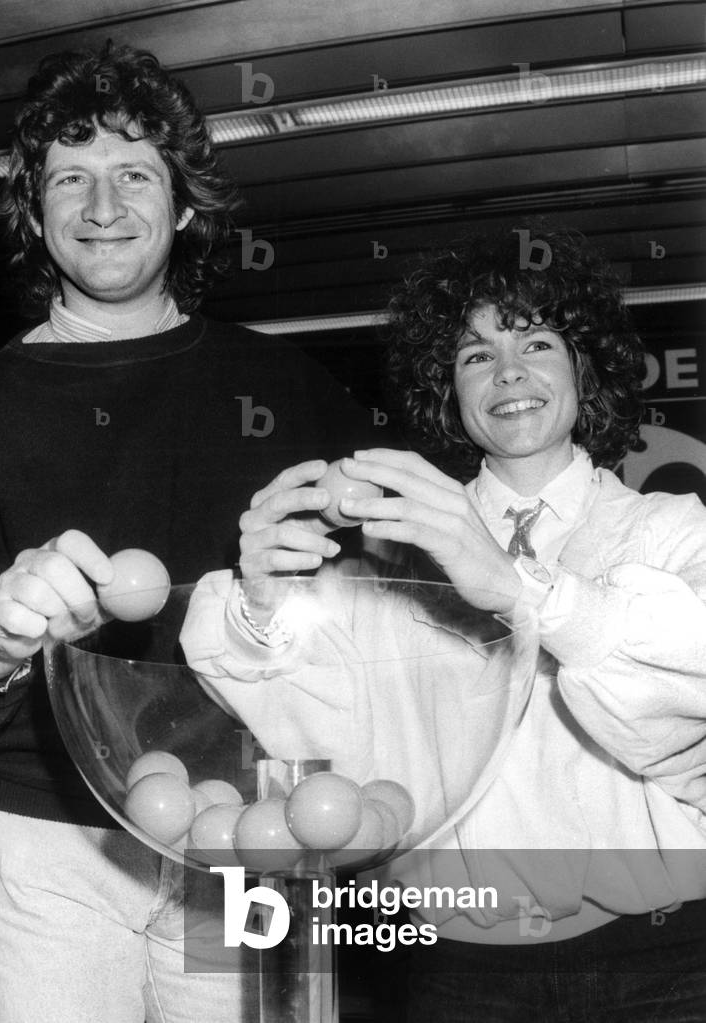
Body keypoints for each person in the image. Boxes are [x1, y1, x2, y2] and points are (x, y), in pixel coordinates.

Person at [0, 43, 383, 1023]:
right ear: (34, 207)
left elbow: (375, 627)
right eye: (72, 177)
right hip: (42, 829)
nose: (103, 208)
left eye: (134, 174)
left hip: (250, 816)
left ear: (184, 206)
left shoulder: (290, 392)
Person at [181, 222, 706, 1021]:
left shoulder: (672, 531)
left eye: (535, 342)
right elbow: (311, 722)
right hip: (459, 973)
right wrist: (261, 598)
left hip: (666, 962)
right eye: (474, 354)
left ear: (583, 367)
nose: (507, 372)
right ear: (448, 391)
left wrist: (517, 583)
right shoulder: (397, 567)